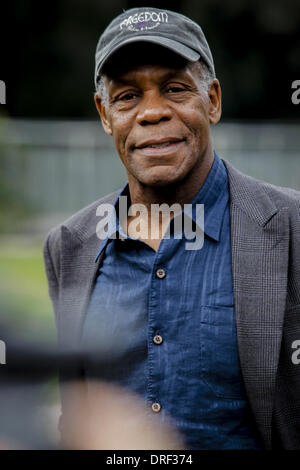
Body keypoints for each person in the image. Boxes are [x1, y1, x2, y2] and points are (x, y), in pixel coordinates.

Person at [43, 7, 300, 450]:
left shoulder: (292, 228)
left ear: (213, 101)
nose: (152, 112)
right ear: (105, 115)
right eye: (127, 97)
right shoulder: (70, 245)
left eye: (175, 88)